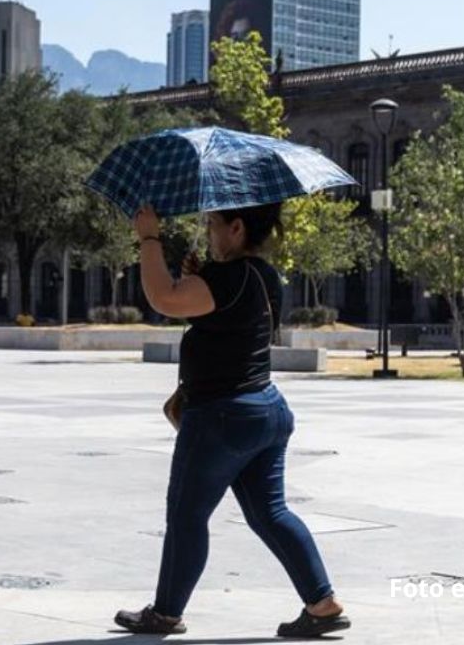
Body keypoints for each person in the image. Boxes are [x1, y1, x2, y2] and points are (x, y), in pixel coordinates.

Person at [114, 204, 350, 638]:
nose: (208, 232)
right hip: (267, 409)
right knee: (270, 513)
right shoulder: (263, 276)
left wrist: (149, 238)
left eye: (213, 225)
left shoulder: (226, 279)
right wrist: (202, 274)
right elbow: (221, 313)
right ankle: (322, 602)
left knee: (187, 515)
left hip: (222, 415)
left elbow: (164, 298)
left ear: (237, 228)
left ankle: (165, 613)